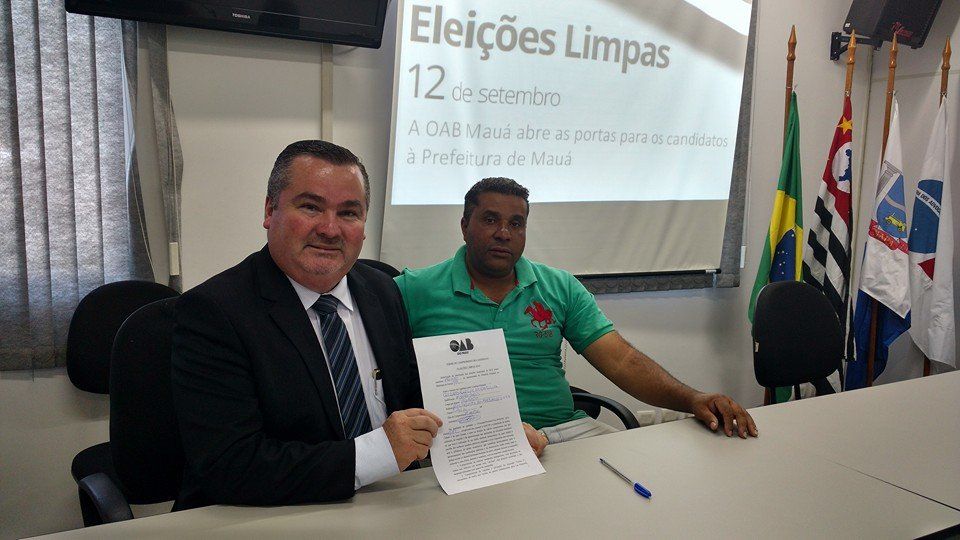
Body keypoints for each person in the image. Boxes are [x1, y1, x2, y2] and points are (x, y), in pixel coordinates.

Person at [171, 140, 441, 509]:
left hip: (390, 501)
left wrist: (490, 426)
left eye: (349, 213)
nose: (330, 229)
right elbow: (231, 465)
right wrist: (378, 453)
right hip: (271, 515)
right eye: (311, 207)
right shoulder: (214, 312)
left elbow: (412, 400)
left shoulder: (382, 290)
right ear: (270, 210)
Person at [394, 177, 757, 449]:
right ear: (464, 226)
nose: (504, 233)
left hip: (561, 432)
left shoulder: (558, 286)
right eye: (490, 220)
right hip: (466, 442)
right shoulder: (413, 289)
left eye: (516, 223)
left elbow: (622, 362)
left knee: (637, 482)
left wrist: (692, 399)